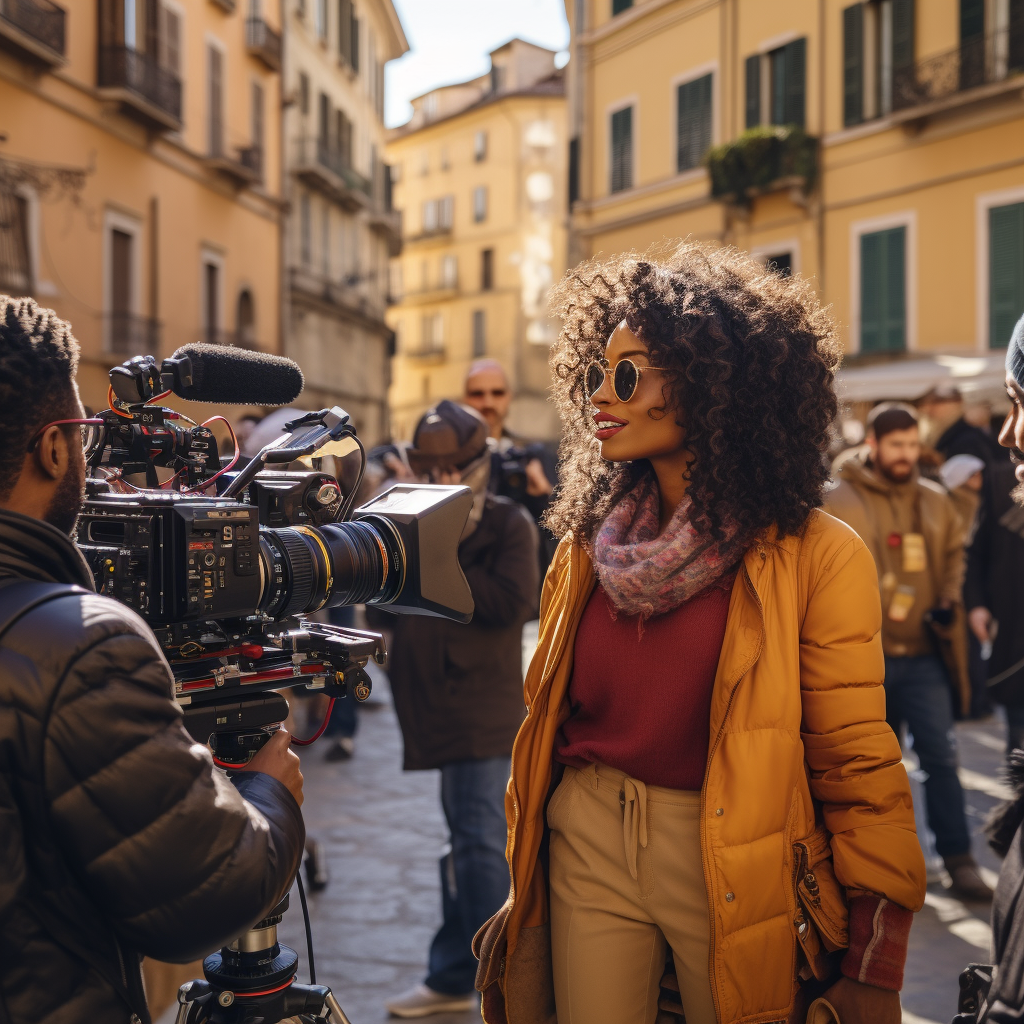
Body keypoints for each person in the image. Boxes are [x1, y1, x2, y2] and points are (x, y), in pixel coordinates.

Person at [473, 246, 927, 1024]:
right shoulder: (585, 548)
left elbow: (857, 761)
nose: (600, 399)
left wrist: (876, 961)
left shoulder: (816, 554)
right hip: (585, 837)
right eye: (595, 374)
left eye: (629, 374)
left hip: (732, 850)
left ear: (718, 385)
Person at [0, 296, 306, 1024]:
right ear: (52, 449)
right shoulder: (81, 645)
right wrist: (269, 795)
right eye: (81, 433)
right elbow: (205, 898)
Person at [384, 400, 539, 1019]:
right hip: (433, 708)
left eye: (454, 468)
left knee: (477, 845)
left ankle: (491, 983)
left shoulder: (506, 524)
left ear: (478, 464)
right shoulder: (406, 519)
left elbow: (511, 601)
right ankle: (454, 972)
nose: (443, 480)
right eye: (431, 469)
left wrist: (442, 546)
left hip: (482, 709)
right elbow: (381, 606)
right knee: (462, 846)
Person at [825, 402, 991, 901]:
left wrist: (947, 600)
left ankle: (959, 860)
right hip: (862, 660)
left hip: (924, 655)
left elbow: (954, 557)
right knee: (875, 772)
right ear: (872, 444)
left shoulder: (936, 501)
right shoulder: (838, 500)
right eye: (895, 445)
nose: (905, 454)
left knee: (941, 756)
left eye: (912, 444)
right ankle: (886, 871)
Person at [463, 359, 558, 571]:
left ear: (509, 397)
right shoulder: (450, 459)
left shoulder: (533, 455)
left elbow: (561, 534)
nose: (487, 403)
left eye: (497, 393)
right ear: (464, 399)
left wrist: (543, 497)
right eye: (477, 394)